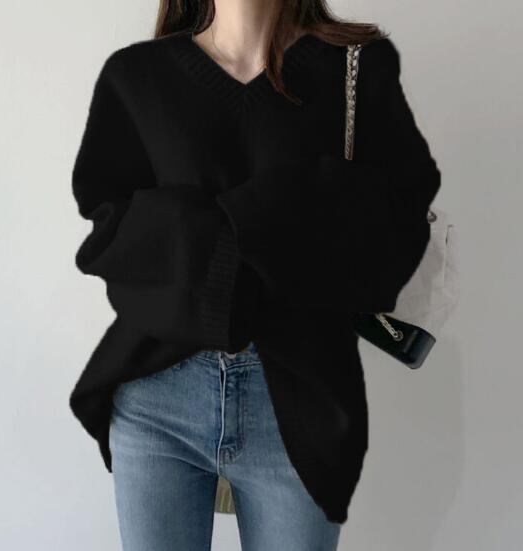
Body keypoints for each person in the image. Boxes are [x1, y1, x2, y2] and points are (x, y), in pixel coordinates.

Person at [69, 0, 441, 549]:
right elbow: (112, 240)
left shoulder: (355, 68)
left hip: (300, 404)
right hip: (157, 398)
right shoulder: (136, 76)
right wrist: (267, 220)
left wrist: (228, 223)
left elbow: (397, 230)